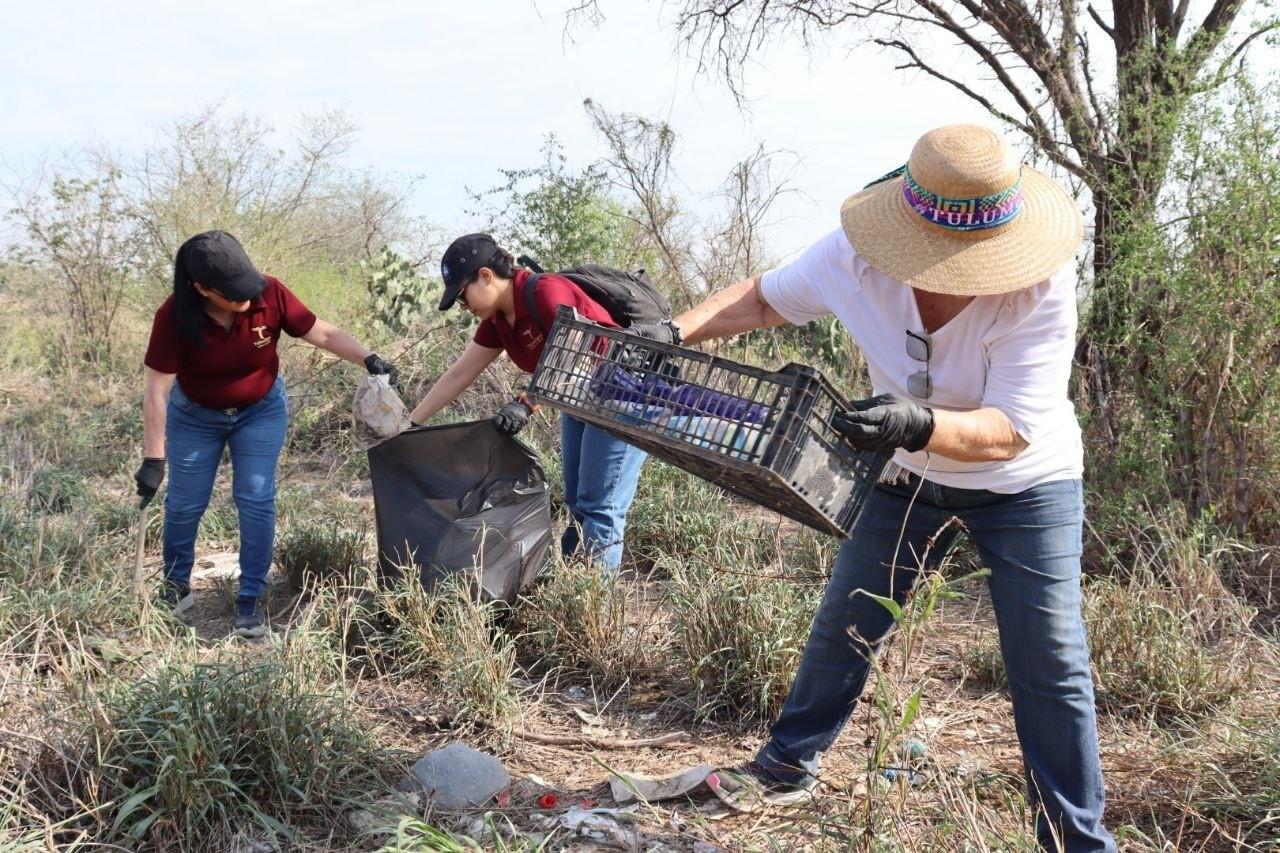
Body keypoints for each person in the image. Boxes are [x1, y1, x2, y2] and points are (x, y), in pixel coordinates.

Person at [674, 125, 1115, 851]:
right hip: (906, 471)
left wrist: (916, 422)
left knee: (1051, 658)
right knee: (847, 619)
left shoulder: (1038, 285)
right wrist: (672, 332)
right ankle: (787, 764)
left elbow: (1008, 429)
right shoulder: (854, 257)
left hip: (1025, 484)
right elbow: (757, 301)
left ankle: (1076, 836)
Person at [135, 230, 397, 638]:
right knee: (185, 503)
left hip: (259, 411)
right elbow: (157, 390)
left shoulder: (269, 293)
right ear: (201, 288)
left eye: (246, 287)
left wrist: (369, 358)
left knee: (255, 497)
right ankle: (175, 587)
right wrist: (154, 459)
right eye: (233, 294)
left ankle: (250, 599)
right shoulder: (173, 316)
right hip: (195, 416)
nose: (245, 299)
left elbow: (321, 332)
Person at [408, 233, 657, 570]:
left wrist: (526, 402)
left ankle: (596, 606)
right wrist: (410, 425)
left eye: (463, 297)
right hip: (578, 401)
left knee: (601, 506)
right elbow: (458, 375)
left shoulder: (544, 292)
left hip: (623, 395)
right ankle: (575, 588)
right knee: (577, 504)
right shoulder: (497, 320)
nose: (465, 308)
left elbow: (575, 353)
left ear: (485, 276)